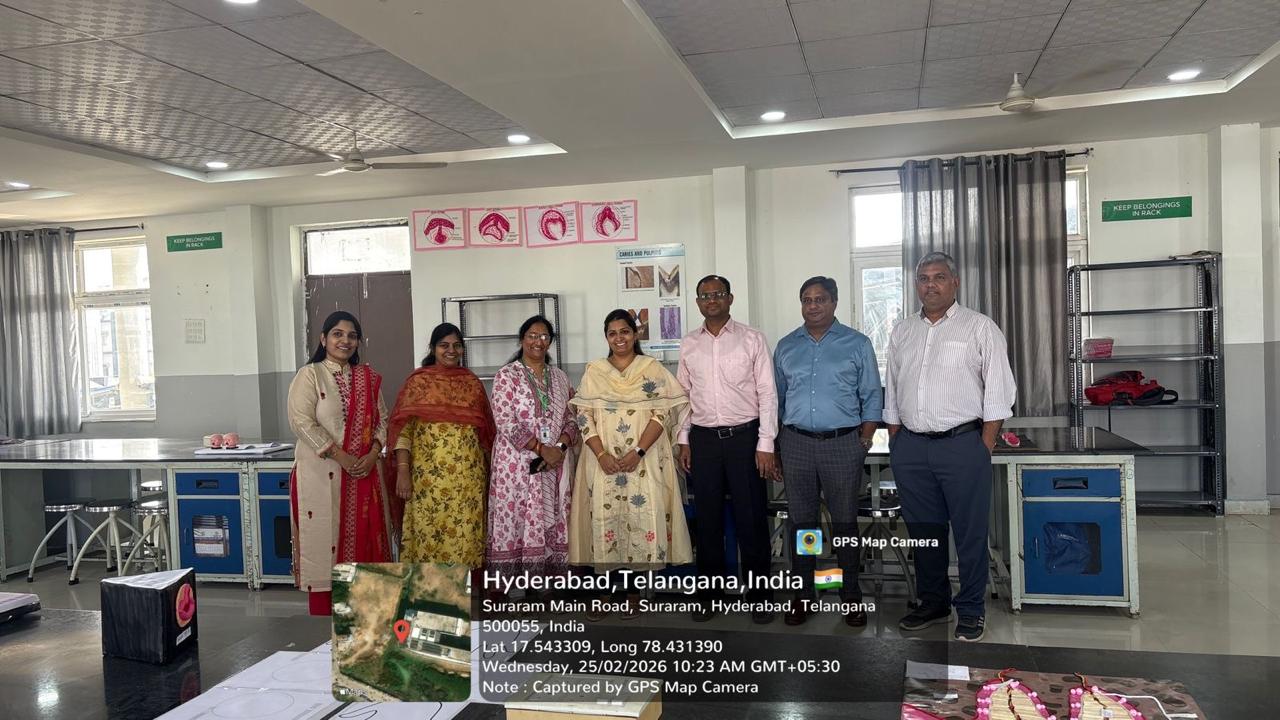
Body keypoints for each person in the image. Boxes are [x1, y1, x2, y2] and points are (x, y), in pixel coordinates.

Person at [885, 251, 1016, 643]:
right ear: (916, 285)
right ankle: (933, 602)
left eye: (939, 277)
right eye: (923, 278)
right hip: (911, 447)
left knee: (969, 532)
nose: (931, 285)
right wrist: (897, 438)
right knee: (924, 532)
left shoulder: (979, 327)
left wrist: (983, 445)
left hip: (962, 445)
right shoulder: (903, 331)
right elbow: (892, 388)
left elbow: (999, 390)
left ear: (955, 282)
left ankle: (971, 609)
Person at [568, 309, 691, 618]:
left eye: (624, 331)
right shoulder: (595, 371)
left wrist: (638, 452)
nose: (619, 338)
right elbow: (583, 416)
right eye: (612, 333)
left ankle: (634, 594)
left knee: (639, 520)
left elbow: (661, 414)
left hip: (642, 461)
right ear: (606, 337)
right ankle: (605, 592)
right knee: (604, 520)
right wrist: (601, 454)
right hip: (602, 462)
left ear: (635, 334)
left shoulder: (651, 370)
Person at [773, 276, 881, 627]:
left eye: (820, 299)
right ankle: (804, 595)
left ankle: (850, 596)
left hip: (843, 444)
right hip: (796, 443)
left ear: (834, 302)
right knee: (803, 525)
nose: (813, 305)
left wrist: (864, 438)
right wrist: (776, 446)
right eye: (807, 299)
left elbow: (872, 394)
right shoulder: (786, 346)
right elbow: (777, 399)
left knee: (844, 523)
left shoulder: (857, 343)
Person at [676, 275, 779, 625]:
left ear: (730, 298)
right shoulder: (689, 344)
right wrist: (684, 438)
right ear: (697, 302)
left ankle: (760, 596)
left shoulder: (752, 338)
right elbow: (683, 395)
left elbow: (767, 393)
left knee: (752, 518)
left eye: (718, 293)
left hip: (745, 439)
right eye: (705, 295)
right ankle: (710, 594)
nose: (712, 300)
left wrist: (766, 443)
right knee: (707, 521)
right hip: (703, 441)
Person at [287, 310, 392, 616]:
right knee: (325, 543)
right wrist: (341, 456)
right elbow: (301, 421)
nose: (345, 341)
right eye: (337, 334)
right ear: (323, 339)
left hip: (364, 474)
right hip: (321, 474)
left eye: (352, 336)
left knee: (365, 542)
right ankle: (328, 624)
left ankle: (367, 618)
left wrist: (373, 453)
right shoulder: (310, 375)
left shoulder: (368, 378)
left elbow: (382, 420)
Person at [386, 323, 495, 567]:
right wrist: (402, 470)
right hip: (427, 482)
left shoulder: (472, 384)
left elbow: (486, 436)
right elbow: (403, 431)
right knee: (428, 538)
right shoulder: (419, 382)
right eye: (444, 345)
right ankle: (429, 590)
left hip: (468, 483)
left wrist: (493, 478)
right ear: (433, 348)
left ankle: (462, 590)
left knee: (464, 542)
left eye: (457, 345)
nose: (451, 351)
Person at [487, 315, 579, 580]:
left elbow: (572, 417)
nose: (538, 341)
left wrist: (559, 447)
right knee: (516, 521)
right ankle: (516, 587)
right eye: (532, 336)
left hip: (554, 465)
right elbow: (505, 420)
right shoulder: (507, 375)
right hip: (516, 467)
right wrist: (541, 448)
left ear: (550, 342)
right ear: (522, 339)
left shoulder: (560, 377)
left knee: (553, 520)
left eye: (544, 336)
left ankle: (547, 584)